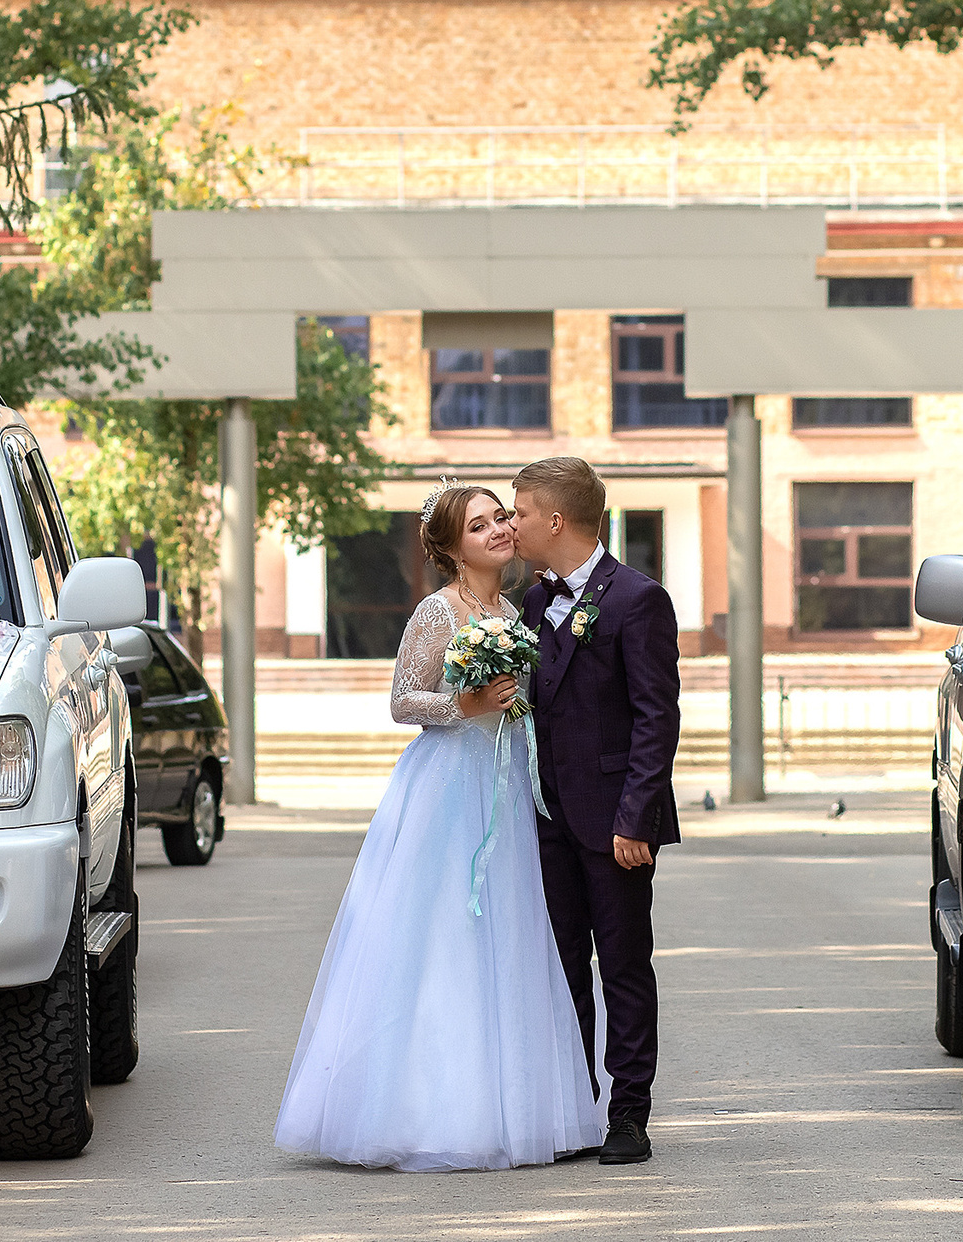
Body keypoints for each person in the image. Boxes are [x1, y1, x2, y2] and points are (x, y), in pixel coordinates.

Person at [274, 483, 604, 1171]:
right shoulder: (438, 609)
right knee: (442, 935)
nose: (496, 531)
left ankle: (513, 1104)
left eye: (498, 518)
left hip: (506, 783)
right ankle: (425, 1108)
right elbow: (403, 699)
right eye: (478, 525)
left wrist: (512, 710)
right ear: (452, 546)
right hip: (448, 787)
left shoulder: (514, 609)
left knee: (509, 935)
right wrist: (468, 701)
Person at [510, 455, 682, 1167]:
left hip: (616, 825)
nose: (512, 524)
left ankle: (628, 1114)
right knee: (559, 968)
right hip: (544, 816)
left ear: (555, 520)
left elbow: (656, 717)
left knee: (623, 966)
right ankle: (574, 1106)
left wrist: (635, 817)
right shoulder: (527, 604)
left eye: (519, 512)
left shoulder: (637, 599)